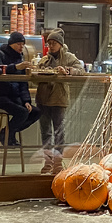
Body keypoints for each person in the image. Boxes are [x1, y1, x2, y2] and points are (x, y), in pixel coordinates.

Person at [35, 29, 83, 174]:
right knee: (45, 132)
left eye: (54, 43)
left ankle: (57, 162)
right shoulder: (44, 60)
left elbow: (80, 69)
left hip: (59, 99)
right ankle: (48, 162)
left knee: (59, 131)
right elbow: (35, 79)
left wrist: (67, 70)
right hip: (42, 99)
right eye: (49, 43)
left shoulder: (68, 57)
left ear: (60, 44)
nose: (51, 46)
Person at [0, 32, 40, 147]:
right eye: (18, 44)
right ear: (11, 44)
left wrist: (26, 101)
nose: (21, 47)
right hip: (0, 96)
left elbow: (23, 84)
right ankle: (9, 134)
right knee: (22, 113)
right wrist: (15, 67)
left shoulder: (20, 58)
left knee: (36, 112)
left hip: (14, 97)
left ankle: (6, 133)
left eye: (23, 44)